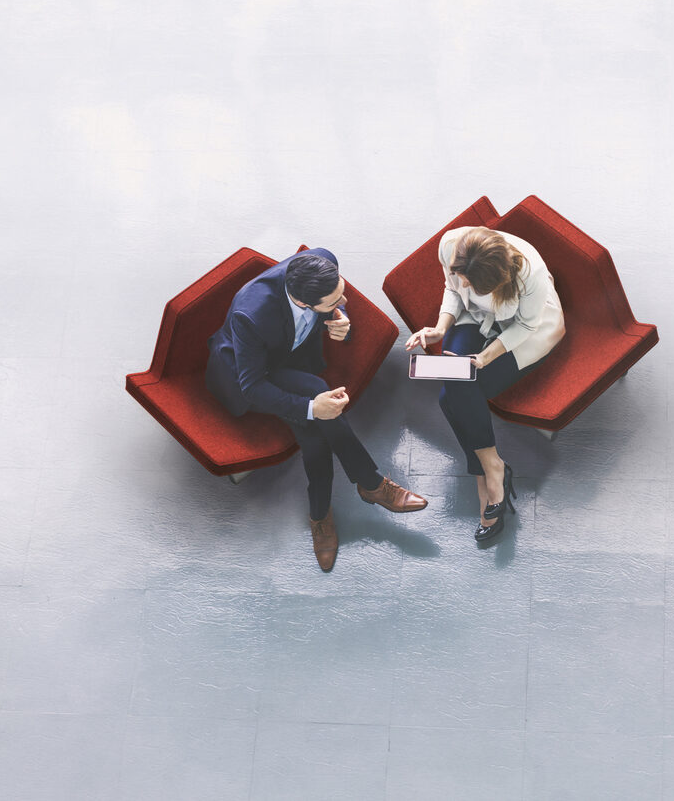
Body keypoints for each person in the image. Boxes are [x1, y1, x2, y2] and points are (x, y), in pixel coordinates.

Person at [206, 248, 427, 572]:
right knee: (316, 401)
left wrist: (341, 322)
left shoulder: (322, 260)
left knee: (313, 438)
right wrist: (312, 408)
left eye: (341, 291)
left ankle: (323, 514)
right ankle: (368, 485)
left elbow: (338, 311)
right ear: (303, 303)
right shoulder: (251, 315)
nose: (344, 301)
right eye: (334, 302)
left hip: (294, 356)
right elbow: (251, 387)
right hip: (254, 372)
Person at [406, 226, 565, 542]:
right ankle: (492, 468)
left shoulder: (529, 274)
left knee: (452, 397)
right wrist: (440, 328)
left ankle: (485, 473)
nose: (463, 282)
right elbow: (453, 289)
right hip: (475, 317)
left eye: (470, 281)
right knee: (456, 386)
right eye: (463, 275)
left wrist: (487, 356)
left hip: (524, 332)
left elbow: (525, 326)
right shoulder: (452, 245)